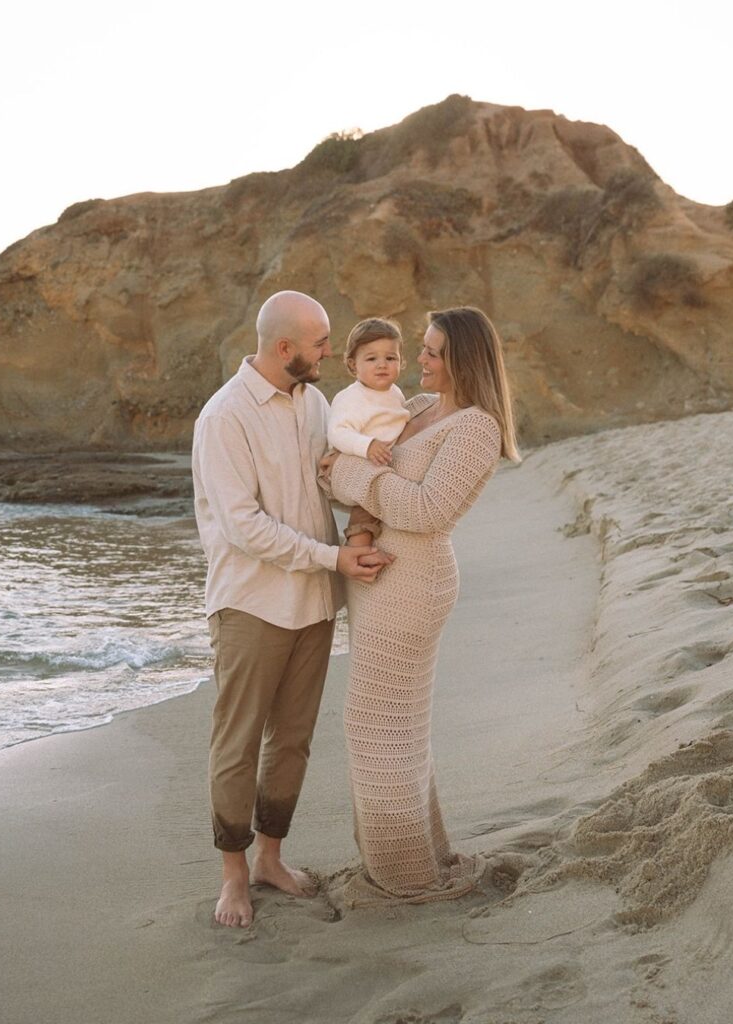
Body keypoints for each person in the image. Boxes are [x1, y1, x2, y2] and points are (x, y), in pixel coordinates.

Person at [191, 290, 393, 929]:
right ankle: (232, 877)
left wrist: (360, 511)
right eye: (320, 343)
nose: (330, 354)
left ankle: (271, 859)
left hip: (312, 602)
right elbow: (245, 527)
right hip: (250, 604)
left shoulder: (317, 404)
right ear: (284, 348)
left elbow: (324, 485)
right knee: (238, 742)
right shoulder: (224, 418)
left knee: (294, 741)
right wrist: (333, 559)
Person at [321, 305, 521, 905]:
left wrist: (354, 480)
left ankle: (404, 878)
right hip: (380, 578)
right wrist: (349, 476)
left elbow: (427, 512)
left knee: (375, 728)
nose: (418, 360)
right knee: (396, 727)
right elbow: (335, 472)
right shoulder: (413, 410)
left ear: (462, 357)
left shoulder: (477, 428)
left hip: (413, 584)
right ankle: (419, 857)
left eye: (432, 351)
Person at [327, 317, 411, 548]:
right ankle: (356, 552)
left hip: (384, 467)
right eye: (372, 358)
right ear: (353, 365)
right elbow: (338, 432)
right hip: (359, 468)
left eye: (390, 358)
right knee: (364, 518)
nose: (382, 364)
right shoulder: (351, 398)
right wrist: (367, 445)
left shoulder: (396, 394)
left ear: (401, 362)